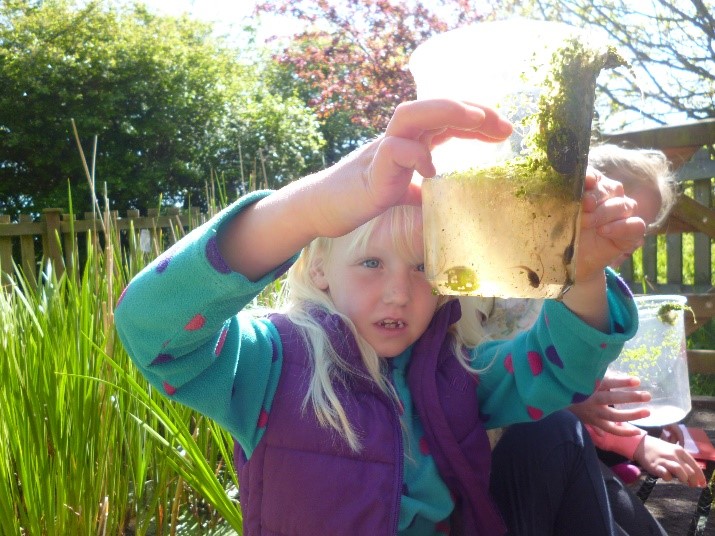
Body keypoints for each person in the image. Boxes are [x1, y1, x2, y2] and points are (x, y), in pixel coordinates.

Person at [114, 99, 646, 536]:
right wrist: (307, 209)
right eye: (371, 263)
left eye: (422, 268)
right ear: (320, 268)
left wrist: (585, 275)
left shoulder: (456, 368)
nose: (398, 293)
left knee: (560, 435)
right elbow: (152, 328)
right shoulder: (271, 362)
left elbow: (560, 372)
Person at [482, 144, 704, 536]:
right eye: (621, 211)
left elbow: (588, 393)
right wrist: (633, 442)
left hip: (568, 448)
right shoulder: (515, 282)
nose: (632, 234)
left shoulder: (591, 289)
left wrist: (641, 433)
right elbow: (519, 386)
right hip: (510, 463)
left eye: (642, 225)